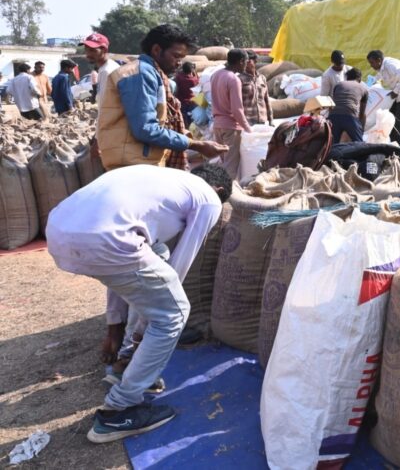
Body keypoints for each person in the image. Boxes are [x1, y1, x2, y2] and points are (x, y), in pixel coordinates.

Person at [46, 163, 232, 443]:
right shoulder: (208, 198)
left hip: (59, 231)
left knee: (157, 253)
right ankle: (120, 410)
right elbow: (179, 270)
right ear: (218, 190)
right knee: (173, 314)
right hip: (105, 240)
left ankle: (125, 365)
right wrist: (142, 332)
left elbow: (123, 275)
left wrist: (115, 327)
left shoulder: (160, 181)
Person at [97, 24, 227, 171]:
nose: (179, 63)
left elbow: (159, 121)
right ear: (157, 50)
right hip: (133, 164)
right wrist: (195, 145)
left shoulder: (152, 74)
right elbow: (145, 129)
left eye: (181, 58)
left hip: (140, 161)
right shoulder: (141, 75)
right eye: (176, 56)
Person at [210, 48, 253, 180]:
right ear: (240, 61)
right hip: (231, 128)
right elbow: (237, 109)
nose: (246, 66)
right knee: (230, 166)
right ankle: (227, 195)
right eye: (246, 62)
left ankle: (221, 190)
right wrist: (248, 128)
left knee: (224, 162)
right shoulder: (234, 79)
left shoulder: (215, 75)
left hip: (217, 125)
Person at [366, 50, 400, 143]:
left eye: (372, 63)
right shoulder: (382, 66)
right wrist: (373, 82)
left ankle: (396, 145)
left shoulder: (390, 65)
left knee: (398, 120)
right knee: (390, 116)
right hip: (398, 92)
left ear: (379, 60)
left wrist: (396, 91)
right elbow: (380, 75)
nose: (371, 65)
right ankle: (390, 141)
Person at [328, 67, 368, 144]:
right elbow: (362, 114)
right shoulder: (363, 89)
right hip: (350, 117)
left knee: (332, 145)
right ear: (359, 79)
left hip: (334, 117)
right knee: (359, 145)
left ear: (347, 77)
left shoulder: (338, 85)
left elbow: (333, 104)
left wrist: (330, 119)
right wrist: (360, 130)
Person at [82, 32, 119, 106]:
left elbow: (106, 106)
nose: (88, 54)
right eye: (86, 49)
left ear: (104, 50)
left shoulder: (106, 71)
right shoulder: (105, 68)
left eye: (93, 50)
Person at [239, 50, 272, 126]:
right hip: (247, 121)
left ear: (255, 61)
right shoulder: (239, 79)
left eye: (248, 61)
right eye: (244, 61)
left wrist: (271, 120)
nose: (246, 64)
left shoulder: (262, 78)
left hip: (263, 120)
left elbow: (267, 100)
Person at [174, 62, 200, 127]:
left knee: (183, 118)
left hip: (182, 101)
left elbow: (177, 75)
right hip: (192, 101)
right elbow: (197, 79)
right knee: (191, 118)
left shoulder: (179, 77)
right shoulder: (194, 79)